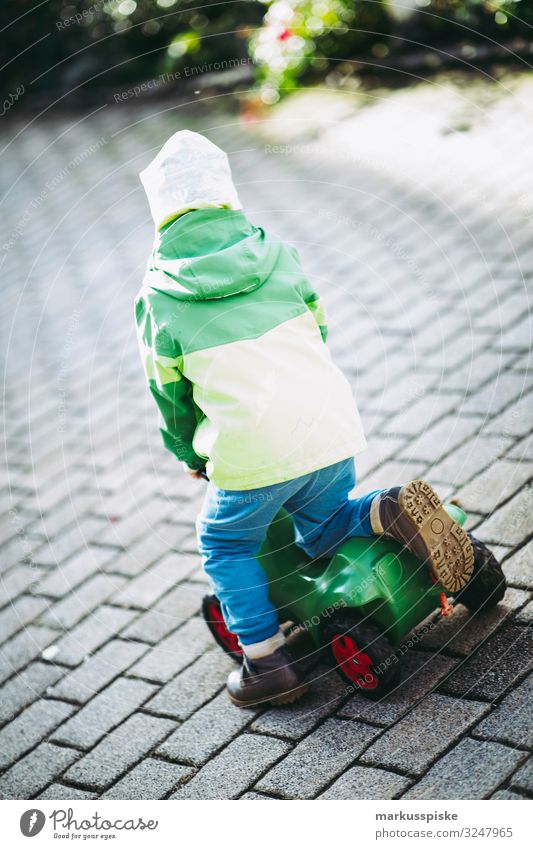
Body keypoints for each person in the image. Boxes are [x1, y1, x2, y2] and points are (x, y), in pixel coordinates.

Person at [136, 130, 474, 708]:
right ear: (226, 195)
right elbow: (318, 326)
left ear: (161, 210)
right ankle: (381, 510)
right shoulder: (276, 251)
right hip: (327, 429)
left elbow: (169, 395)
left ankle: (267, 664)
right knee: (323, 522)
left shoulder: (159, 294)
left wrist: (192, 455)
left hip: (252, 455)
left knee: (223, 541)